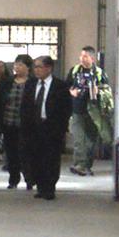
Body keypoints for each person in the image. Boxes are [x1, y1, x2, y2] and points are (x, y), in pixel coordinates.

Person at [21, 55, 72, 200]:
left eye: (39, 67)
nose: (36, 70)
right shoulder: (31, 84)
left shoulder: (60, 86)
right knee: (35, 157)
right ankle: (40, 186)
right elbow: (25, 106)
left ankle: (49, 188)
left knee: (51, 159)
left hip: (51, 128)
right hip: (33, 127)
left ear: (49, 68)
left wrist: (60, 128)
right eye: (34, 67)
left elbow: (66, 109)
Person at [66, 46, 111, 176]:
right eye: (81, 56)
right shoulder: (74, 71)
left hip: (94, 112)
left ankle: (86, 165)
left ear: (92, 58)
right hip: (77, 110)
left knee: (91, 141)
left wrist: (99, 91)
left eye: (85, 56)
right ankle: (79, 165)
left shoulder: (99, 73)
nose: (81, 58)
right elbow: (66, 86)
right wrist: (72, 91)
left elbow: (107, 90)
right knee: (79, 139)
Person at [0, 54, 35, 190]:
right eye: (16, 64)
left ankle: (30, 179)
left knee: (26, 152)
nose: (17, 67)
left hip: (26, 124)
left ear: (28, 68)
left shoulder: (33, 83)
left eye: (21, 65)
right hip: (8, 122)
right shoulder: (7, 82)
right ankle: (13, 179)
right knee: (11, 153)